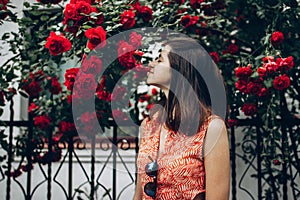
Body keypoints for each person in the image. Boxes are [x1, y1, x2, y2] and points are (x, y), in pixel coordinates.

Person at [133, 37, 230, 200]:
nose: (150, 64)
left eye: (159, 60)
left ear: (180, 70)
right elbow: (139, 194)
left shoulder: (211, 128)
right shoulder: (149, 125)